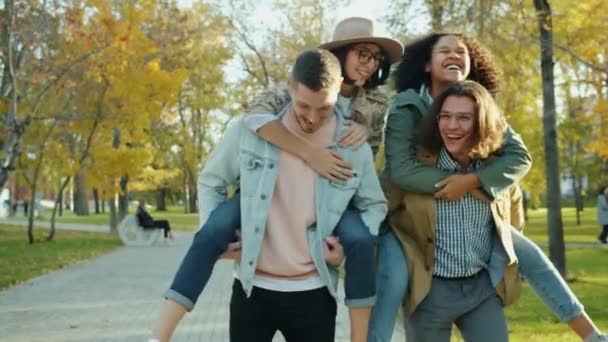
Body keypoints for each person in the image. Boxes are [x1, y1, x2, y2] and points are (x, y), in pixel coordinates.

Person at [151, 17, 402, 342]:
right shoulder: (273, 107)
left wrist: (341, 252)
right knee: (211, 232)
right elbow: (250, 122)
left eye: (375, 58)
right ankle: (159, 336)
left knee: (360, 241)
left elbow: (371, 191)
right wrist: (309, 153)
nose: (369, 65)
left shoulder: (370, 109)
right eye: (362, 54)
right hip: (254, 285)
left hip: (331, 234)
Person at [369, 31, 608, 342]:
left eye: (461, 52)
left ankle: (591, 335)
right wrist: (454, 184)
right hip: (411, 220)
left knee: (528, 254)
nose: (454, 55)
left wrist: (473, 181)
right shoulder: (409, 104)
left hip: (476, 231)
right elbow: (401, 170)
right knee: (393, 281)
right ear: (427, 64)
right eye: (445, 51)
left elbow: (519, 157)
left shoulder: (483, 107)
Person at [385, 80, 520, 341]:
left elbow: (513, 219)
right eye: (445, 117)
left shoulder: (494, 172)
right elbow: (384, 213)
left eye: (463, 118)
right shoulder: (414, 171)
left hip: (481, 290)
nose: (451, 126)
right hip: (428, 293)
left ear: (482, 123)